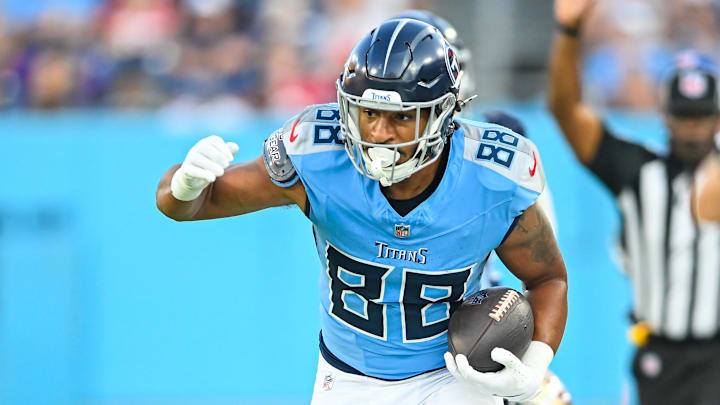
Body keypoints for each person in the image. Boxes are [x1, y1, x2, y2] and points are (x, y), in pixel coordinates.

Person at [157, 18, 568, 404]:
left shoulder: (491, 178)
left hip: (451, 375)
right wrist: (185, 183)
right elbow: (191, 205)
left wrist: (535, 365)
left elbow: (548, 278)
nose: (378, 134)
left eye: (402, 117)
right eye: (369, 113)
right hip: (347, 378)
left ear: (443, 115)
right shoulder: (317, 158)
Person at [548, 0, 720, 403]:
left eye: (700, 116)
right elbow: (565, 110)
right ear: (665, 116)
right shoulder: (637, 170)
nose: (692, 128)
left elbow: (704, 203)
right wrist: (569, 33)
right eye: (684, 115)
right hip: (657, 352)